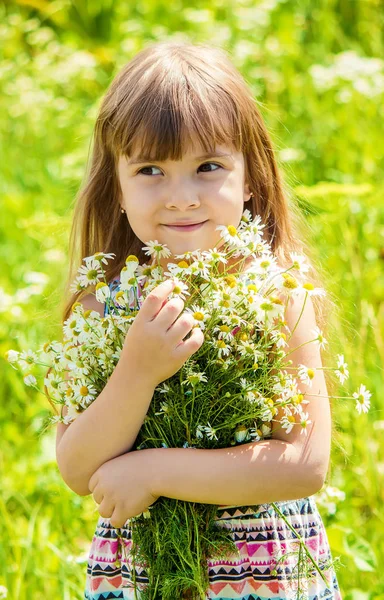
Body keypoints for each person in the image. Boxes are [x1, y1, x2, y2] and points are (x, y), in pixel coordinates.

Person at [56, 40, 342, 599]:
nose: (182, 197)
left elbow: (306, 463)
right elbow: (76, 468)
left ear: (250, 176)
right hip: (141, 576)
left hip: (259, 571)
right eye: (150, 170)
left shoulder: (279, 293)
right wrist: (138, 370)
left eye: (208, 167)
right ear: (116, 186)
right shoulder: (101, 308)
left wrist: (153, 471)